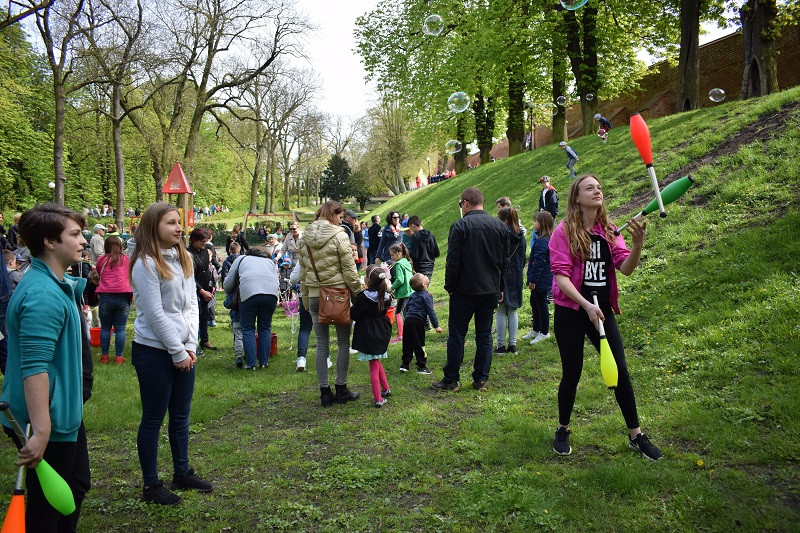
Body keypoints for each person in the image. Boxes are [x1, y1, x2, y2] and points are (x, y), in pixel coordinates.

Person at [549, 174, 662, 460]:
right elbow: (561, 277)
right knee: (572, 372)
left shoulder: (610, 230)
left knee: (621, 371)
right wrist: (586, 304)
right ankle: (562, 428)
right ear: (577, 198)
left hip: (602, 310)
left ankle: (636, 435)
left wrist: (637, 245)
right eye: (589, 188)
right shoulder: (563, 231)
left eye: (599, 187)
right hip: (571, 310)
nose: (597, 191)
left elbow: (626, 268)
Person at [0, 203, 91, 530]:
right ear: (50, 241)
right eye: (75, 234)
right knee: (47, 510)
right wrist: (41, 431)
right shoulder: (43, 295)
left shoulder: (52, 284)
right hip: (43, 417)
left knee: (75, 485)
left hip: (59, 412)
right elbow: (34, 366)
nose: (83, 241)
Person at [130, 202, 212, 504]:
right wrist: (177, 351)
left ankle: (182, 472)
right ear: (153, 227)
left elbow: (191, 306)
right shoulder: (145, 264)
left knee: (180, 415)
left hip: (183, 349)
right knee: (153, 418)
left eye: (179, 222)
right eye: (171, 223)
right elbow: (154, 313)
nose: (179, 228)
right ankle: (151, 486)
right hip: (153, 350)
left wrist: (190, 345)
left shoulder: (184, 258)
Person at [432, 187, 510, 393]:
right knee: (484, 334)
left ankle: (451, 379)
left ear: (466, 203)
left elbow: (453, 261)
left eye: (461, 204)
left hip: (464, 290)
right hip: (490, 288)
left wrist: (450, 286)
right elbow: (504, 262)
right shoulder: (499, 226)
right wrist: (500, 286)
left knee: (457, 334)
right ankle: (480, 379)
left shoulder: (460, 226)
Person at [298, 200, 362, 406]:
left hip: (315, 295)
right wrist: (357, 293)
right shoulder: (339, 236)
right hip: (337, 295)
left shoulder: (304, 237)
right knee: (343, 343)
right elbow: (349, 271)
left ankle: (324, 392)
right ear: (333, 215)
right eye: (340, 217)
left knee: (321, 345)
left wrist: (306, 298)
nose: (341, 221)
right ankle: (341, 388)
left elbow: (303, 273)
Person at [223, 246, 280, 370]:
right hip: (270, 295)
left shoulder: (241, 259)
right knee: (265, 328)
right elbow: (277, 280)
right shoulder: (270, 262)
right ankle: (264, 362)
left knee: (248, 328)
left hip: (249, 293)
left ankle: (251, 363)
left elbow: (227, 284)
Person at [350, 265, 393, 407]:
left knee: (374, 364)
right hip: (381, 332)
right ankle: (386, 388)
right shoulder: (385, 296)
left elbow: (355, 314)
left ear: (367, 280)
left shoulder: (363, 297)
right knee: (376, 360)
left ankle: (378, 398)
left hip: (368, 333)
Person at [95, 235, 132, 365]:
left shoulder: (101, 259)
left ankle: (104, 357)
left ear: (106, 246)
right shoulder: (126, 259)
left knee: (105, 328)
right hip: (123, 296)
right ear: (120, 246)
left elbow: (99, 273)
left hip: (106, 296)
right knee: (120, 329)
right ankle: (119, 357)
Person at [494, 207, 526, 354]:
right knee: (512, 310)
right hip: (516, 274)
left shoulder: (501, 235)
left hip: (502, 274)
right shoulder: (521, 236)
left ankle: (501, 345)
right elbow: (523, 257)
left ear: (505, 220)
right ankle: (512, 345)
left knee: (501, 310)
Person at [401, 273, 443, 374]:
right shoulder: (427, 296)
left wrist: (407, 317)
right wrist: (436, 326)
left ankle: (405, 364)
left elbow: (406, 308)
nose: (426, 276)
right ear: (424, 284)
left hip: (408, 320)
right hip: (417, 322)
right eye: (424, 276)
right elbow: (430, 311)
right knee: (419, 343)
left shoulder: (412, 295)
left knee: (407, 342)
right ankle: (421, 366)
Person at [525, 211, 554, 344]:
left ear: (542, 223)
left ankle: (544, 332)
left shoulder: (543, 241)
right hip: (540, 278)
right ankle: (536, 329)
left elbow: (539, 262)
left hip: (541, 279)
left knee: (541, 305)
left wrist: (533, 280)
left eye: (535, 221)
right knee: (534, 302)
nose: (534, 223)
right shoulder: (540, 238)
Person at [187, 228, 217, 353]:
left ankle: (204, 340)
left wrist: (211, 286)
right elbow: (189, 276)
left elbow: (208, 269)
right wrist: (201, 291)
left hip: (206, 288)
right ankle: (192, 344)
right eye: (202, 241)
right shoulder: (188, 254)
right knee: (195, 318)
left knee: (205, 315)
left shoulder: (205, 251)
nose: (205, 244)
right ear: (195, 240)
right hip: (195, 290)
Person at [289, 260, 318, 373]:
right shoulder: (329, 252)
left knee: (305, 328)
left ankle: (301, 358)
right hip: (324, 294)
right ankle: (326, 358)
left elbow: (293, 279)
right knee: (323, 328)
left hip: (306, 293)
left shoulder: (303, 256)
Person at [388, 243, 413, 344]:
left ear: (399, 253)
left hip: (404, 293)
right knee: (407, 313)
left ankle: (400, 335)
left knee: (398, 313)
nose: (391, 257)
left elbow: (400, 280)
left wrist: (391, 288)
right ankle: (410, 332)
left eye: (392, 255)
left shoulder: (398, 264)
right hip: (410, 290)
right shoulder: (406, 261)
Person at [407, 216, 439, 282]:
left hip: (419, 268)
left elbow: (414, 255)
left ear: (412, 225)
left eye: (410, 228)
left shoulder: (415, 237)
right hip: (430, 267)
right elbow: (437, 253)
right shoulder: (431, 236)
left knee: (418, 287)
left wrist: (406, 253)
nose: (411, 230)